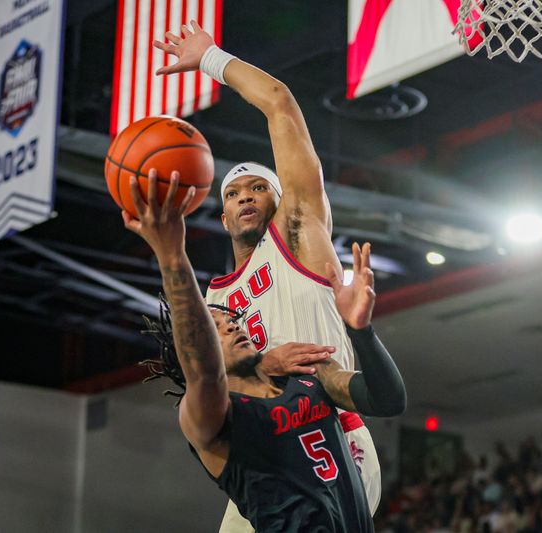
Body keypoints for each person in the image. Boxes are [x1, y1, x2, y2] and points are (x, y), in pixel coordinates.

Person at [152, 20, 385, 529]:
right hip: (264, 445)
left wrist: (211, 57)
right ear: (221, 216)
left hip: (332, 431)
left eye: (259, 188)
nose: (246, 198)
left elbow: (280, 103)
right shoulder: (215, 300)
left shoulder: (298, 235)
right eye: (234, 194)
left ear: (282, 202)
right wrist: (262, 366)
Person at [122, 171, 406, 532]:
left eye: (231, 321)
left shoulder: (307, 375)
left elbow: (389, 401)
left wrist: (361, 331)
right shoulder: (211, 417)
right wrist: (171, 255)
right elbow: (205, 369)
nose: (231, 326)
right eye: (215, 329)